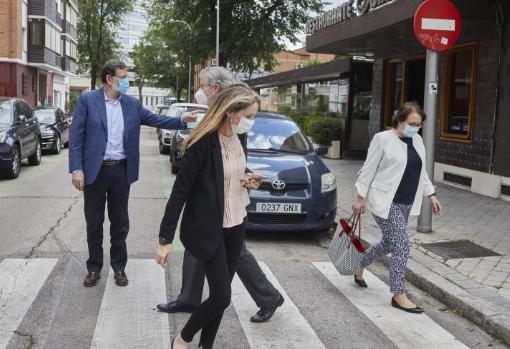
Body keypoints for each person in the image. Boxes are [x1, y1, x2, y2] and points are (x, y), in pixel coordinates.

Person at [156, 67, 284, 323]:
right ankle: (190, 298)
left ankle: (267, 296)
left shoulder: (237, 117)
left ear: (215, 89)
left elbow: (235, 160)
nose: (200, 91)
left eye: (202, 85)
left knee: (236, 255)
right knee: (198, 245)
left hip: (227, 208)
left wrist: (245, 177)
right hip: (209, 206)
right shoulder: (214, 117)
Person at [69, 60, 196, 288]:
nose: (127, 82)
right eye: (123, 77)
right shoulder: (88, 100)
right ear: (109, 79)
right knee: (94, 223)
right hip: (94, 173)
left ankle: (119, 267)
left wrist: (181, 121)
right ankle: (94, 267)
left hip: (121, 170)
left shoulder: (131, 104)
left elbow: (154, 119)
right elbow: (76, 137)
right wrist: (77, 169)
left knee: (120, 223)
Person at [352, 101, 442, 313]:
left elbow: (421, 171)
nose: (415, 127)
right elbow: (368, 169)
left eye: (418, 124)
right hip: (385, 201)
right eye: (411, 123)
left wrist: (431, 194)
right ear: (400, 120)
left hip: (407, 202)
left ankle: (360, 265)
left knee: (389, 243)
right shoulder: (382, 139)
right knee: (401, 244)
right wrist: (360, 197)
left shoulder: (418, 140)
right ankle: (398, 294)